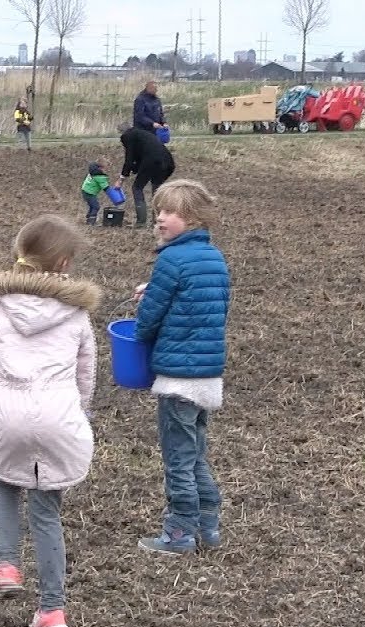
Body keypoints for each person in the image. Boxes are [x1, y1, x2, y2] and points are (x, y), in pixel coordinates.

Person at [0, 214, 101, 627]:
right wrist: (80, 408)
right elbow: (86, 370)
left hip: (7, 412)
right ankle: (53, 612)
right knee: (46, 511)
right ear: (63, 264)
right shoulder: (75, 312)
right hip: (58, 413)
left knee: (5, 483)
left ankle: (6, 566)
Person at [132, 179, 231, 555]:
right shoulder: (214, 257)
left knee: (178, 458)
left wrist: (143, 314)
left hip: (178, 377)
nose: (159, 218)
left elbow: (148, 321)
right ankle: (208, 525)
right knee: (195, 454)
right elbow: (205, 304)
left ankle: (179, 533)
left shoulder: (171, 259)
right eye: (159, 210)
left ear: (191, 218)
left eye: (169, 212)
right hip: (207, 375)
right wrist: (155, 290)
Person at [114, 121, 176, 227]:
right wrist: (134, 169)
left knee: (137, 188)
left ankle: (141, 222)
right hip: (168, 162)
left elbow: (129, 159)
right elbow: (139, 156)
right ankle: (157, 221)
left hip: (152, 161)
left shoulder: (127, 136)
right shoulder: (142, 134)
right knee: (156, 190)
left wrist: (121, 179)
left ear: (122, 132)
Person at [81, 158, 111, 226]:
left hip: (85, 191)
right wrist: (112, 193)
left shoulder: (93, 171)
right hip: (89, 193)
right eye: (106, 169)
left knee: (92, 206)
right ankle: (91, 222)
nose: (107, 171)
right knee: (96, 207)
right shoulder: (99, 176)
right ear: (100, 168)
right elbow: (105, 187)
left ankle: (89, 218)